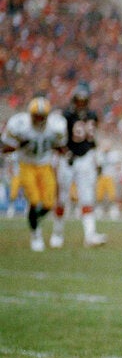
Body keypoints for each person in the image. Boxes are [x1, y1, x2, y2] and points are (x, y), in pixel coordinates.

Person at [1, 95, 68, 251]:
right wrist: (19, 145)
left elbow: (60, 146)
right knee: (34, 200)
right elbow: (6, 146)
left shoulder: (56, 125)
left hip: (45, 164)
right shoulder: (19, 124)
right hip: (26, 164)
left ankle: (33, 220)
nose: (38, 120)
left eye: (41, 117)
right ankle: (35, 234)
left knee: (48, 203)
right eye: (35, 116)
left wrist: (64, 152)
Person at [52, 82, 107, 248]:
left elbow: (92, 139)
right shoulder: (65, 116)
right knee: (61, 198)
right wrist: (65, 153)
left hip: (85, 159)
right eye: (79, 101)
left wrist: (97, 159)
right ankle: (57, 234)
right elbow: (58, 139)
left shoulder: (91, 115)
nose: (81, 104)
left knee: (87, 197)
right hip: (68, 159)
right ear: (74, 100)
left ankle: (90, 235)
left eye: (84, 101)